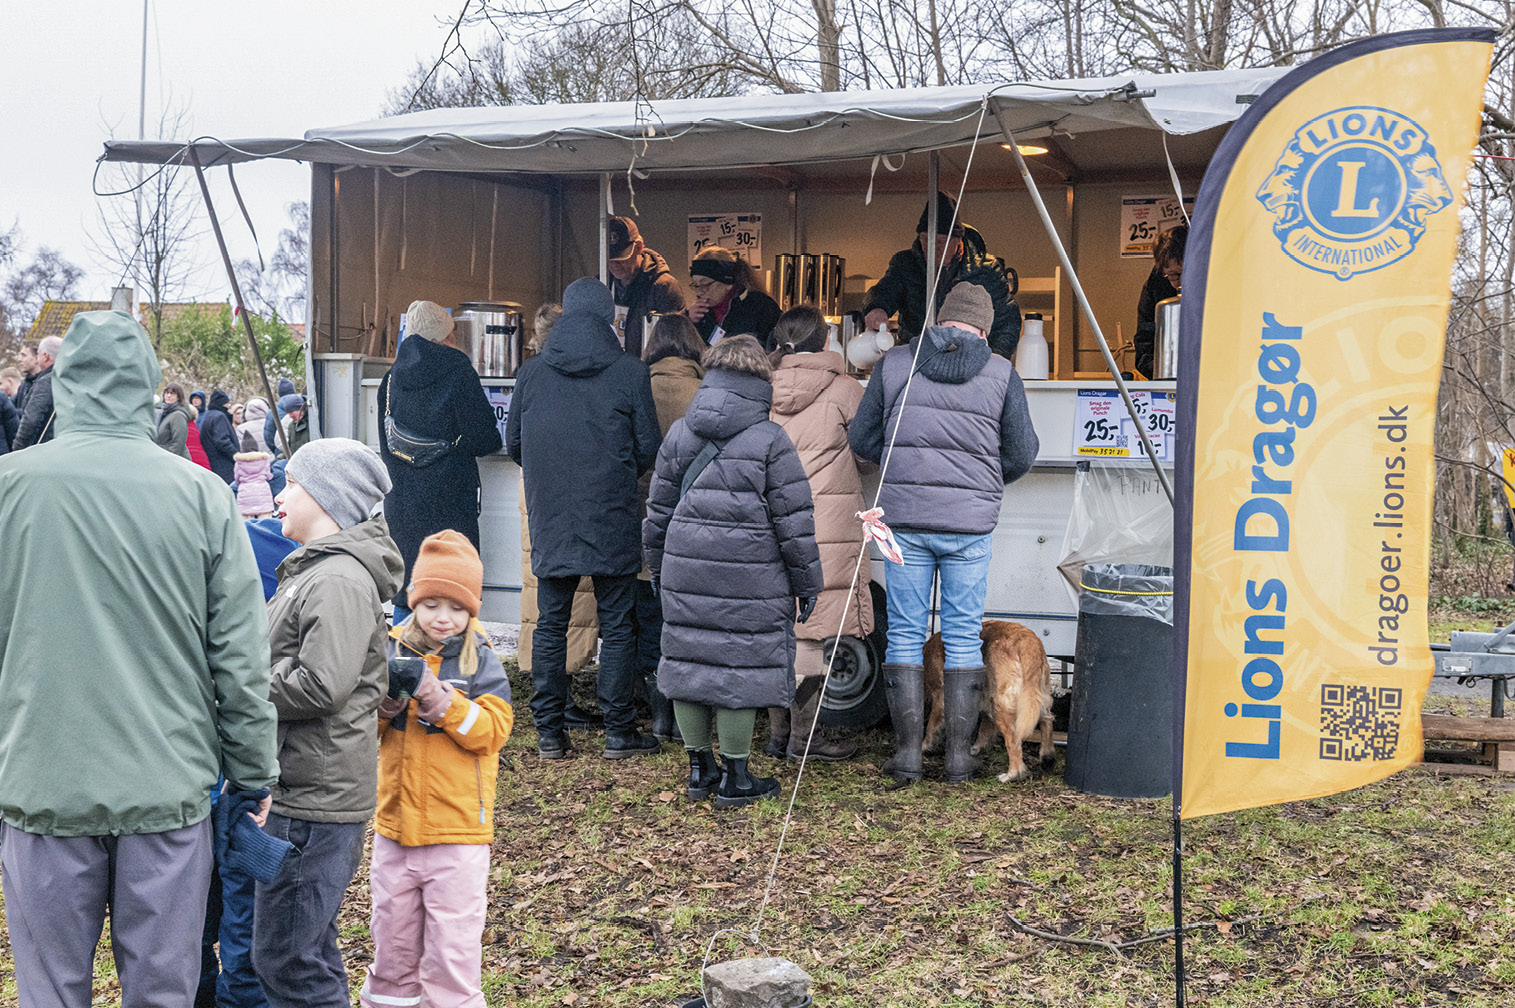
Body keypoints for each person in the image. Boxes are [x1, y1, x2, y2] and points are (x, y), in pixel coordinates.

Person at [0, 309, 279, 1007]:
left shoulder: (9, 487)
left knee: (49, 993)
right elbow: (240, 658)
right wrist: (253, 773)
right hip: (166, 788)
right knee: (163, 992)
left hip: (41, 783)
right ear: (149, 386)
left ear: (63, 382)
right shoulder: (202, 495)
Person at [849, 281, 1038, 785]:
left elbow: (862, 437)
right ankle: (959, 759)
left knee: (906, 634)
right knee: (960, 635)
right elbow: (1022, 453)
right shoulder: (1001, 373)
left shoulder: (894, 364)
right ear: (983, 328)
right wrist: (982, 482)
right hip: (968, 528)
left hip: (904, 522)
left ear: (941, 322)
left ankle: (908, 755)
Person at [645, 334, 824, 807]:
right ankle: (737, 778)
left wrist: (659, 571)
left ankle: (699, 770)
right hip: (753, 575)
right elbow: (794, 522)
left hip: (685, 570)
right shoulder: (771, 440)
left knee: (688, 664)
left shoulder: (681, 432)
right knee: (738, 671)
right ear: (760, 384)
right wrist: (808, 584)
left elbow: (657, 511)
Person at [254, 438, 403, 1008]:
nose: (279, 494)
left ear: (325, 494)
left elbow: (321, 683)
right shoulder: (316, 572)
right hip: (302, 790)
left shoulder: (337, 578)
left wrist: (235, 688)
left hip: (314, 798)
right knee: (304, 950)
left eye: (291, 482)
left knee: (288, 959)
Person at [506, 277, 663, 761]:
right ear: (609, 319)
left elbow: (514, 446)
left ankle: (550, 733)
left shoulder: (532, 374)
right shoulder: (630, 373)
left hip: (552, 512)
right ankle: (619, 732)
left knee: (552, 623)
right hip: (612, 510)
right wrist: (613, 475)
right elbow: (649, 448)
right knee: (619, 624)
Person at [362, 531, 514, 1008]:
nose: (442, 617)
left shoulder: (481, 660)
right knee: (392, 947)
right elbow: (362, 734)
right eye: (430, 605)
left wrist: (439, 699)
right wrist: (385, 708)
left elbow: (493, 732)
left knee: (452, 954)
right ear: (413, 602)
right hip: (395, 830)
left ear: (472, 611)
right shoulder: (389, 651)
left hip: (458, 834)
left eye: (456, 607)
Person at [766, 305, 872, 762]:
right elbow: (869, 454)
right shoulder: (847, 390)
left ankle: (775, 735)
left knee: (777, 630)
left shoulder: (760, 387)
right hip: (826, 525)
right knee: (813, 635)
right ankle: (803, 739)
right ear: (826, 342)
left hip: (770, 521)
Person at [378, 300, 502, 623]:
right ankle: (451, 670)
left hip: (402, 508)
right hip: (449, 506)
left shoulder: (389, 381)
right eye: (450, 335)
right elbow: (486, 438)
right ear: (439, 337)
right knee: (452, 597)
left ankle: (405, 668)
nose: (453, 341)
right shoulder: (459, 371)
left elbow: (388, 446)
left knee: (409, 591)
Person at [635, 313, 709, 741]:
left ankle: (659, 717)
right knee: (689, 620)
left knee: (649, 616)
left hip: (642, 514)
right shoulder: (704, 392)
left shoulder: (636, 385)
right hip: (693, 518)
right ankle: (688, 720)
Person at [863, 191, 1022, 360]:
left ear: (958, 240)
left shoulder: (986, 270)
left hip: (968, 363)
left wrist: (991, 360)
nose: (931, 248)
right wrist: (877, 307)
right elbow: (885, 290)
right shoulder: (904, 264)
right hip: (915, 360)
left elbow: (1008, 322)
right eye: (925, 240)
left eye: (940, 242)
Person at [606, 215, 688, 357]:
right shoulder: (602, 284)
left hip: (649, 371)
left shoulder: (664, 287)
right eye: (610, 259)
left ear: (639, 247)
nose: (614, 265)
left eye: (622, 259)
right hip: (612, 370)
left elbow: (675, 344)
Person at [688, 246, 780, 348]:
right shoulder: (700, 315)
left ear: (728, 283)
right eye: (696, 285)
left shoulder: (760, 307)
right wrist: (688, 322)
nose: (699, 292)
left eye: (705, 284)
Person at [1133, 223, 1187, 379]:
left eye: (1185, 272)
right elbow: (1144, 343)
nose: (1180, 282)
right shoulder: (1154, 287)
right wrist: (1160, 375)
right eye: (1173, 275)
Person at [12, 334, 60, 450]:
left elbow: (30, 421)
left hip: (42, 449)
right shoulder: (68, 378)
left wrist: (18, 451)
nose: (19, 359)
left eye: (23, 355)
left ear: (45, 356)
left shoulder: (46, 382)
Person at [200, 389, 241, 483]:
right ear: (222, 403)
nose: (229, 406)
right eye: (227, 403)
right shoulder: (219, 416)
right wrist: (236, 454)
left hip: (213, 463)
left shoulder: (208, 415)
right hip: (223, 465)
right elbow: (221, 440)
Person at [235, 432, 276, 518]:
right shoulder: (264, 460)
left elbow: (237, 479)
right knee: (265, 522)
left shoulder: (239, 462)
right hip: (262, 492)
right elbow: (268, 476)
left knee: (247, 526)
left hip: (245, 494)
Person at [156, 382, 196, 458]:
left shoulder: (178, 415)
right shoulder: (163, 413)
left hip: (174, 460)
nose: (168, 396)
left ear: (178, 397)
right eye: (166, 393)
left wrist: (166, 458)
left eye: (172, 393)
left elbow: (178, 443)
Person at [264, 378, 297, 456]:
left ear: (279, 393)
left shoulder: (272, 412)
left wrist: (277, 450)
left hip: (281, 453)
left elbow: (268, 437)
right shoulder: (301, 405)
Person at [13, 342, 37, 412]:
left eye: (24, 355)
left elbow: (31, 413)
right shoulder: (23, 386)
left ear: (36, 358)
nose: (19, 359)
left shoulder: (47, 384)